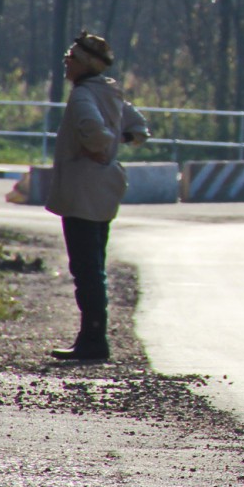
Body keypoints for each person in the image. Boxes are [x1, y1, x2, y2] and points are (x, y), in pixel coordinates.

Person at [45, 31, 148, 363]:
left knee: (86, 270)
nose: (66, 61)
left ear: (85, 63)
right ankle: (90, 337)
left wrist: (101, 145)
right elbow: (138, 127)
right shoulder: (111, 92)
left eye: (71, 57)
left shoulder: (82, 96)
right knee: (95, 267)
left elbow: (94, 130)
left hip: (82, 192)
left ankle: (93, 341)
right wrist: (118, 138)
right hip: (103, 190)